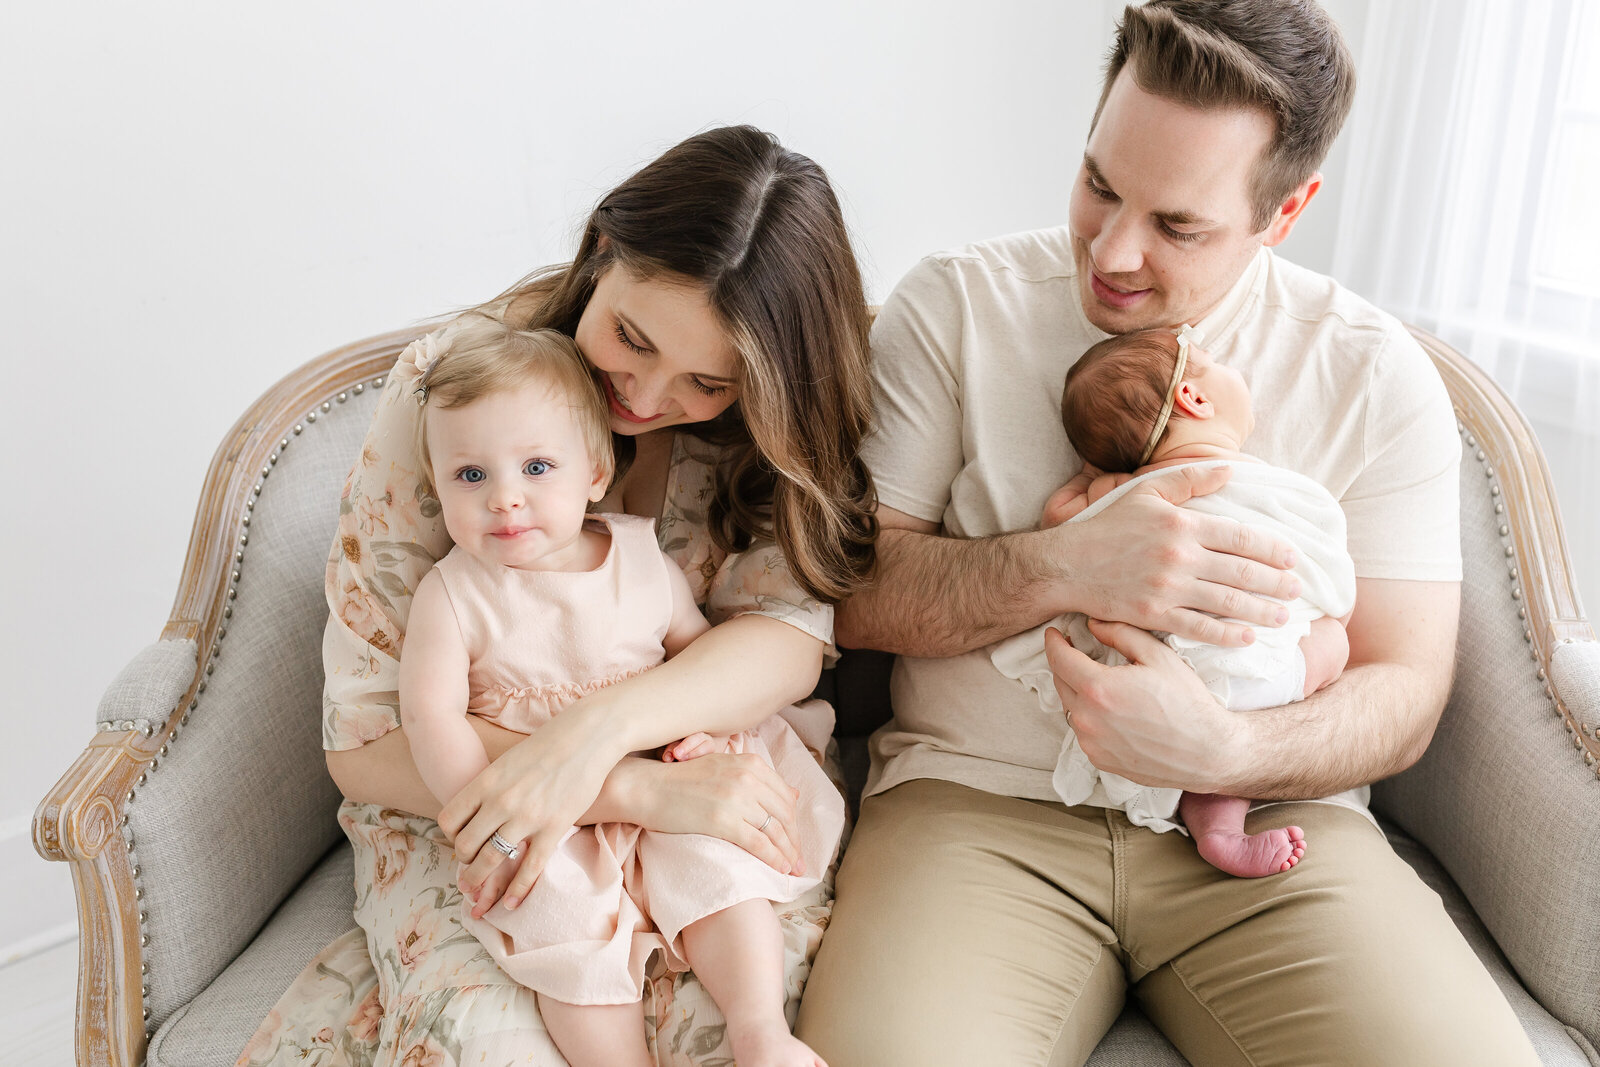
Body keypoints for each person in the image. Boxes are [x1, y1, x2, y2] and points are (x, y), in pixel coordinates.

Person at [796, 2, 1541, 1064]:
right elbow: (857, 595)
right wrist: (1061, 565)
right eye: (1099, 183)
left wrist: (1228, 749)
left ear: (1284, 214)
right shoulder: (957, 307)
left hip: (1276, 834)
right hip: (979, 811)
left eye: (1177, 225)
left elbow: (1404, 688)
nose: (1110, 249)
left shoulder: (1375, 376)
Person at [237, 125, 873, 1067]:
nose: (647, 397)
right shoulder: (460, 395)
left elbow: (782, 636)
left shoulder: (759, 433)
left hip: (698, 782)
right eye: (630, 337)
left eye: (705, 381)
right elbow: (368, 742)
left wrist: (599, 730)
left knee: (737, 1026)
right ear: (603, 251)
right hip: (474, 812)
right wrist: (625, 786)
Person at [399, 315, 840, 1067]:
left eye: (537, 467)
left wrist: (700, 735)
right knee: (559, 919)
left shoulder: (640, 558)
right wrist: (488, 816)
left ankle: (760, 1031)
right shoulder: (452, 595)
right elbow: (430, 714)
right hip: (541, 813)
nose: (506, 498)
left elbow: (698, 657)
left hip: (663, 764)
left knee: (715, 864)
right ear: (438, 486)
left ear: (595, 473)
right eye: (471, 476)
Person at [990, 324, 1356, 878]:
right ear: (1195, 396)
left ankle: (1218, 830)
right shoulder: (1264, 482)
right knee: (1334, 639)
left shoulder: (1119, 497)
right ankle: (1224, 819)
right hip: (1252, 662)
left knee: (1202, 725)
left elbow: (1059, 523)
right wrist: (1329, 611)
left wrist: (1091, 477)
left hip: (1141, 687)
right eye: (1215, 363)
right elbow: (1320, 555)